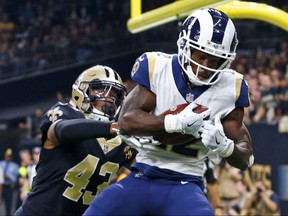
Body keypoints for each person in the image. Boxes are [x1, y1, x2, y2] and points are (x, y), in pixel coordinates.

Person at [84, 8, 254, 215]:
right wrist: (174, 123)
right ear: (185, 47)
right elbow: (126, 122)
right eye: (200, 56)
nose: (204, 67)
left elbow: (246, 158)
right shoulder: (158, 67)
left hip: (187, 183)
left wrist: (225, 147)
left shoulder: (231, 88)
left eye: (214, 60)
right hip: (142, 175)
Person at [14, 65, 137, 216]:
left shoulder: (122, 141)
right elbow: (62, 131)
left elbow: (148, 169)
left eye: (115, 94)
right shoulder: (65, 114)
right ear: (81, 91)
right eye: (100, 89)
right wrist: (112, 127)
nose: (109, 99)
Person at [0, 148, 19, 216]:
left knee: (8, 205)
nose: (8, 157)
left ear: (11, 156)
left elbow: (16, 179)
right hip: (0, 186)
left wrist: (8, 177)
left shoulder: (15, 166)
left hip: (9, 187)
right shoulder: (1, 163)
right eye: (6, 155)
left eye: (9, 156)